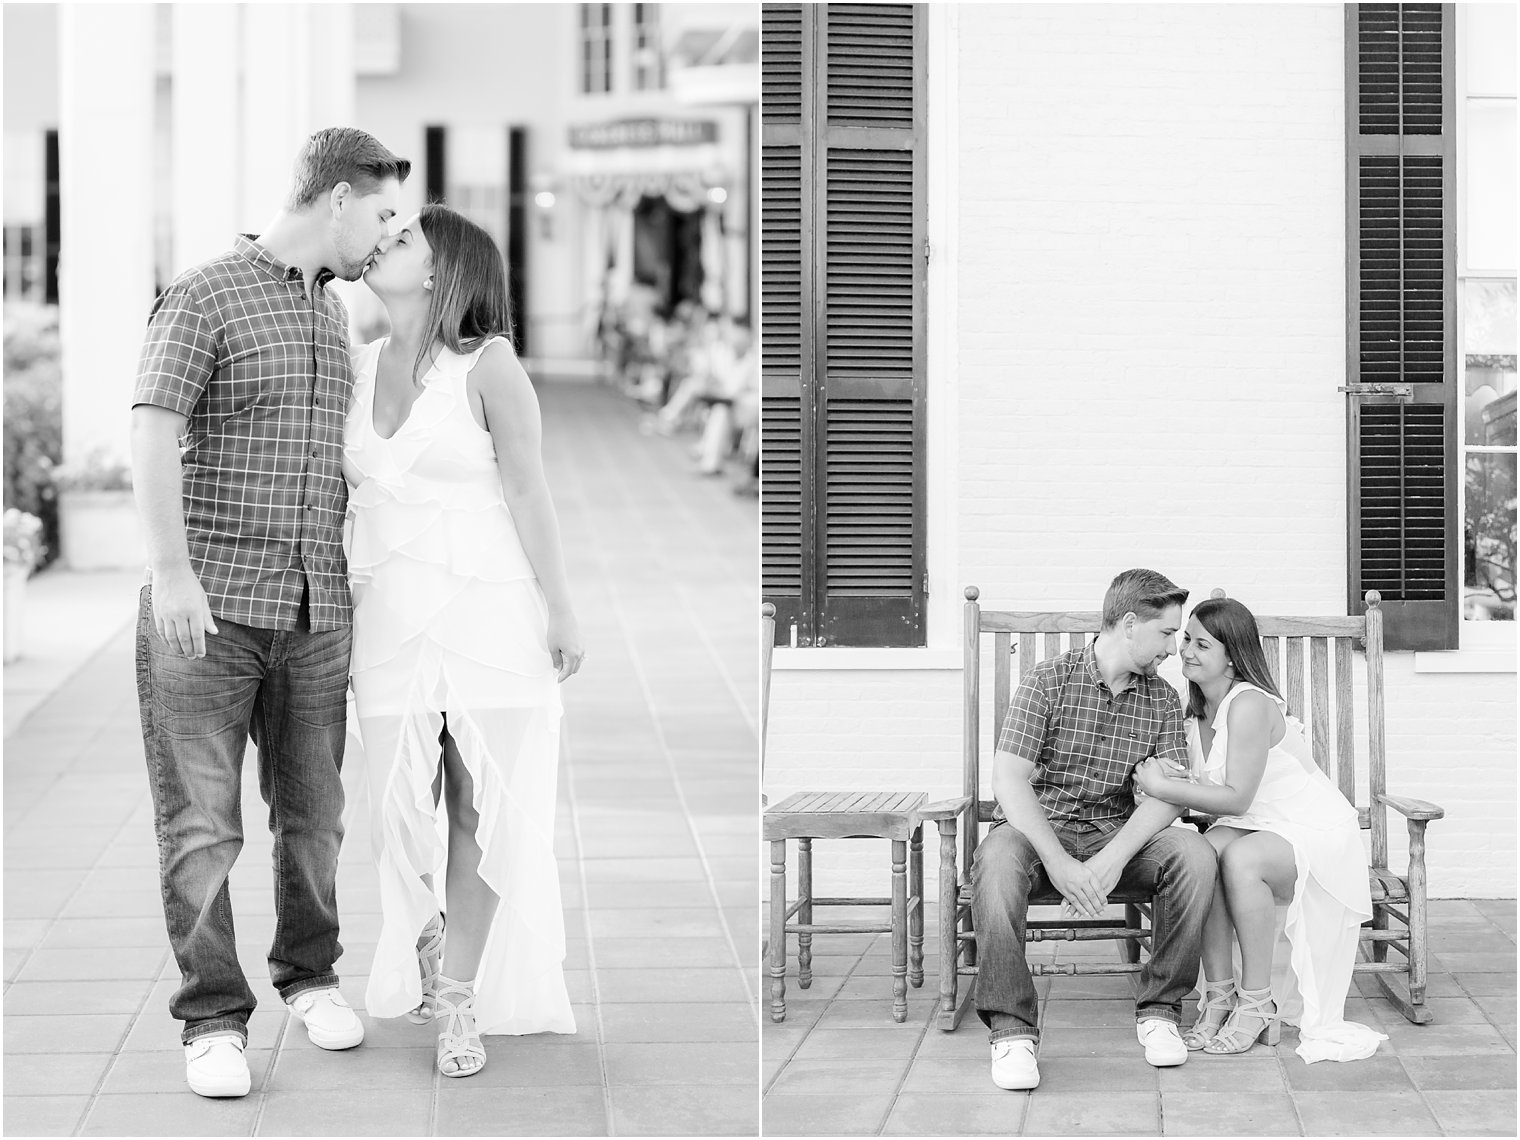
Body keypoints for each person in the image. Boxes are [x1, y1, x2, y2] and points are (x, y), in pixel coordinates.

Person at [131, 127, 410, 1098]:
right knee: (201, 826)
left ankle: (312, 976)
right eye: (380, 214)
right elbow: (153, 430)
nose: (386, 235)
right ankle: (211, 1020)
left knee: (315, 817)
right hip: (204, 610)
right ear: (335, 199)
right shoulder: (205, 292)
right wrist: (172, 575)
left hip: (314, 608)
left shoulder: (335, 316)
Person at [345, 203, 585, 1078]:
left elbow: (531, 493)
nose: (383, 243)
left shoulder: (492, 368)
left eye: (403, 237)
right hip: (388, 619)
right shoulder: (358, 362)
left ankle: (457, 997)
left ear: (443, 269)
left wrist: (561, 607)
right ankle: (427, 935)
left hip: (488, 613)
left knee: (478, 802)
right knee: (393, 804)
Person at [971, 568, 1217, 1091]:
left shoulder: (1163, 700)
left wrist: (1110, 861)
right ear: (1130, 624)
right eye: (1168, 634)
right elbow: (1008, 780)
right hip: (1042, 833)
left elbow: (1168, 797)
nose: (1174, 649)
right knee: (996, 859)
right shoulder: (1048, 681)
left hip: (1118, 836)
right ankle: (1013, 1031)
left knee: (1194, 855)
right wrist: (1059, 862)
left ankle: (1161, 1011)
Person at [1132, 596, 1387, 1063]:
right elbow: (1214, 809)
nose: (1186, 650)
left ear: (1233, 654)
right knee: (1202, 854)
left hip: (1313, 830)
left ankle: (1257, 1003)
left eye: (1202, 644)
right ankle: (1220, 997)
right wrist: (1154, 779)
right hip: (1256, 825)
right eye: (1185, 639)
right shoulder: (1193, 717)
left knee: (1241, 859)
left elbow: (1236, 798)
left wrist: (1161, 784)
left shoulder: (1247, 704)